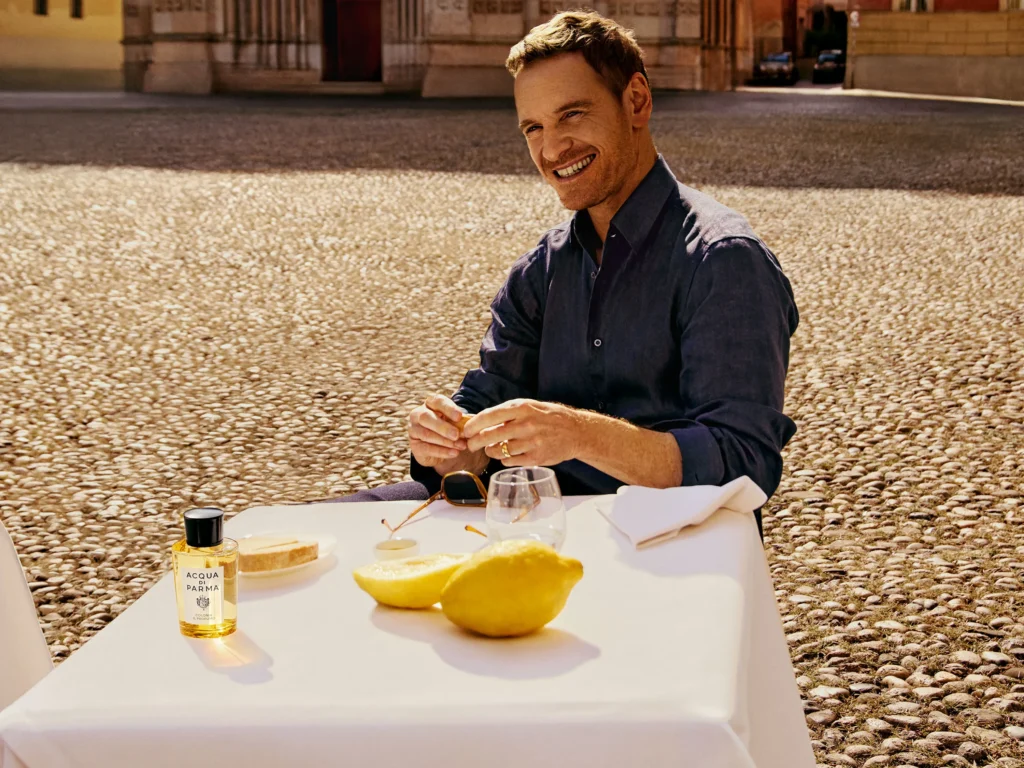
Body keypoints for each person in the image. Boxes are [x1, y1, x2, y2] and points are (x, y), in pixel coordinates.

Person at [339, 10, 799, 537]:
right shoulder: (540, 269)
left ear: (637, 101)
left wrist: (580, 434)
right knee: (304, 537)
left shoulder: (723, 259)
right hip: (528, 525)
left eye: (572, 115)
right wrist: (448, 443)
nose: (552, 150)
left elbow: (743, 460)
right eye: (533, 127)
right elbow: (482, 415)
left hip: (671, 545)